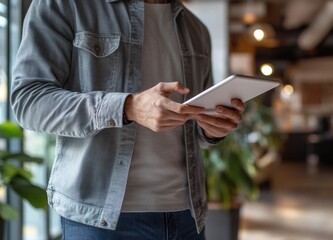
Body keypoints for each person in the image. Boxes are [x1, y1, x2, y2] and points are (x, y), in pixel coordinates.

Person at [11, 0, 243, 239]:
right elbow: (29, 102)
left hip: (188, 218)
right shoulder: (65, 5)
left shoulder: (196, 30)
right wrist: (127, 107)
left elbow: (195, 130)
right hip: (100, 222)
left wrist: (213, 129)